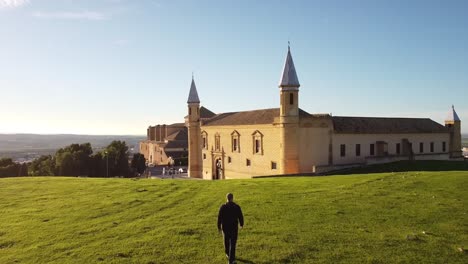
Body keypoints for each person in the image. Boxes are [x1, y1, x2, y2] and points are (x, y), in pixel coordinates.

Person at [217, 193, 244, 264]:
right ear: (232, 198)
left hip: (225, 228)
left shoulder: (223, 207)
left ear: (227, 198)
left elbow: (219, 217)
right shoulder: (236, 207)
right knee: (233, 243)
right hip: (234, 228)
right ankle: (231, 259)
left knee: (226, 241)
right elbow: (240, 216)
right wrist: (241, 224)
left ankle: (228, 254)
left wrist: (219, 226)